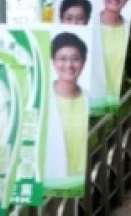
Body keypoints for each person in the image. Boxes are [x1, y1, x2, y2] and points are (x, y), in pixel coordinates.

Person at [47, 31, 89, 186]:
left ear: (83, 62)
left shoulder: (90, 100)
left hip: (84, 180)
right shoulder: (42, 99)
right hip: (51, 182)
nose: (69, 65)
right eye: (62, 59)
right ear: (53, 61)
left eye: (75, 59)